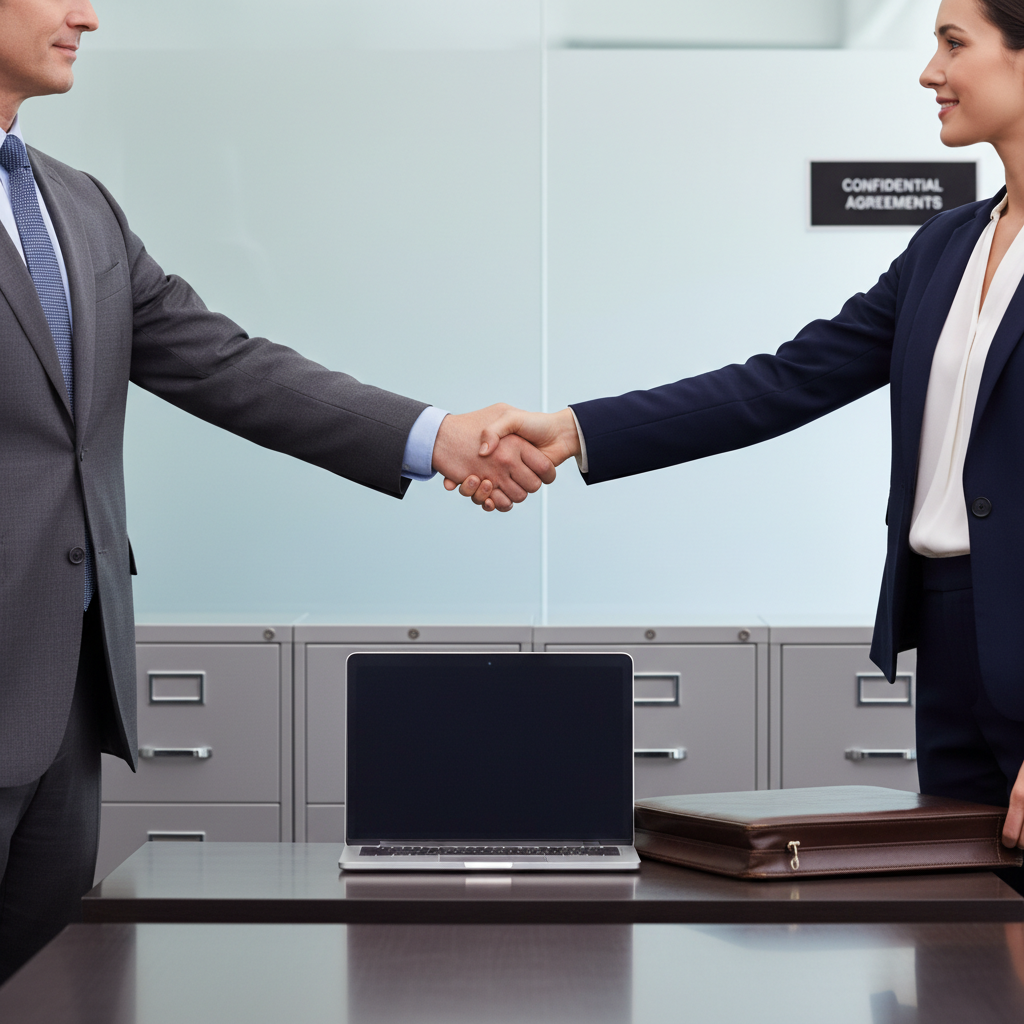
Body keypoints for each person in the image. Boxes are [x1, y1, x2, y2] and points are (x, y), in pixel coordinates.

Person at [0, 0, 553, 983]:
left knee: (49, 992)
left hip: (68, 699)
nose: (89, 14)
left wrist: (439, 437)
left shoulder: (76, 204)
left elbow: (223, 364)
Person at [463, 0, 1024, 872]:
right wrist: (574, 430)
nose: (929, 72)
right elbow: (783, 381)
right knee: (963, 941)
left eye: (955, 44)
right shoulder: (945, 244)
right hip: (948, 639)